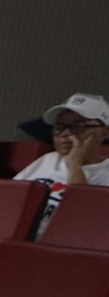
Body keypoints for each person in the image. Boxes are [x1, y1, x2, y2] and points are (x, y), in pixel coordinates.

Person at [14, 93, 109, 236]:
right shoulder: (48, 160)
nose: (65, 133)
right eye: (60, 127)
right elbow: (10, 199)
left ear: (103, 132)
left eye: (78, 126)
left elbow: (82, 221)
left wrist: (75, 165)